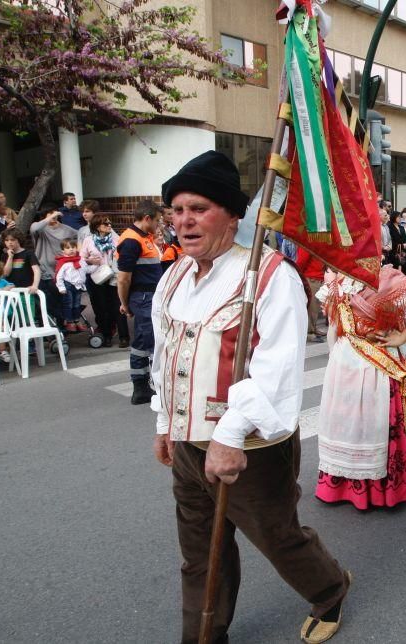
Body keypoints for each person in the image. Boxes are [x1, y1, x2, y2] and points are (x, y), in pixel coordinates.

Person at [151, 150, 351, 643]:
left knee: (277, 538)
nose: (184, 220)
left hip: (251, 448)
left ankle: (330, 589)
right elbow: (165, 354)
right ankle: (204, 635)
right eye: (176, 210)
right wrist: (164, 422)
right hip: (187, 444)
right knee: (200, 550)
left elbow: (278, 370)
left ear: (232, 214)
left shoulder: (268, 274)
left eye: (198, 208)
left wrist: (230, 434)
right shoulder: (174, 275)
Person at [314, 267, 406, 510]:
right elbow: (333, 321)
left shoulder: (387, 278)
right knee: (349, 423)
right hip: (348, 360)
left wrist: (401, 337)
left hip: (377, 363)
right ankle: (349, 480)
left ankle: (372, 485)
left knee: (372, 423)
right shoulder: (339, 279)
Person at [117, 200, 161, 405]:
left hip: (147, 297)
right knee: (152, 342)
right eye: (157, 220)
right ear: (147, 219)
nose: (159, 225)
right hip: (143, 297)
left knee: (142, 343)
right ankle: (150, 386)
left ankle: (141, 387)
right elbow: (123, 278)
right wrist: (124, 303)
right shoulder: (131, 241)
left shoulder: (143, 238)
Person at [80, 213, 129, 348]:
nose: (109, 226)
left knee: (118, 306)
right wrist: (89, 260)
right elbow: (81, 258)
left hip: (113, 277)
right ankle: (106, 336)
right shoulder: (88, 240)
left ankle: (124, 337)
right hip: (97, 278)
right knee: (101, 308)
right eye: (106, 224)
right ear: (97, 226)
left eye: (109, 223)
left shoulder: (115, 239)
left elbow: (123, 253)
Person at [30, 203, 77, 326]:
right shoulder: (40, 229)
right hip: (45, 271)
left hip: (62, 271)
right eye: (50, 213)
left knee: (61, 299)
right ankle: (47, 327)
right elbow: (34, 229)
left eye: (55, 213)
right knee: (46, 301)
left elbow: (79, 237)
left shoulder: (66, 229)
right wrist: (50, 217)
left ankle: (62, 326)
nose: (54, 216)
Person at [54, 239, 90, 332]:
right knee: (68, 304)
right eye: (68, 248)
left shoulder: (81, 260)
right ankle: (70, 322)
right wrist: (61, 287)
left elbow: (86, 269)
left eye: (73, 247)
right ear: (63, 251)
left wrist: (97, 267)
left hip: (78, 286)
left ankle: (77, 320)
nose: (71, 250)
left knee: (77, 304)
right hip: (68, 286)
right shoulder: (63, 262)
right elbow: (59, 276)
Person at [296, 247, 328, 343]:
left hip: (318, 277)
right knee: (311, 308)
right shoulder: (308, 242)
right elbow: (301, 262)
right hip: (311, 278)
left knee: (315, 308)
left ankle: (313, 328)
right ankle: (309, 333)